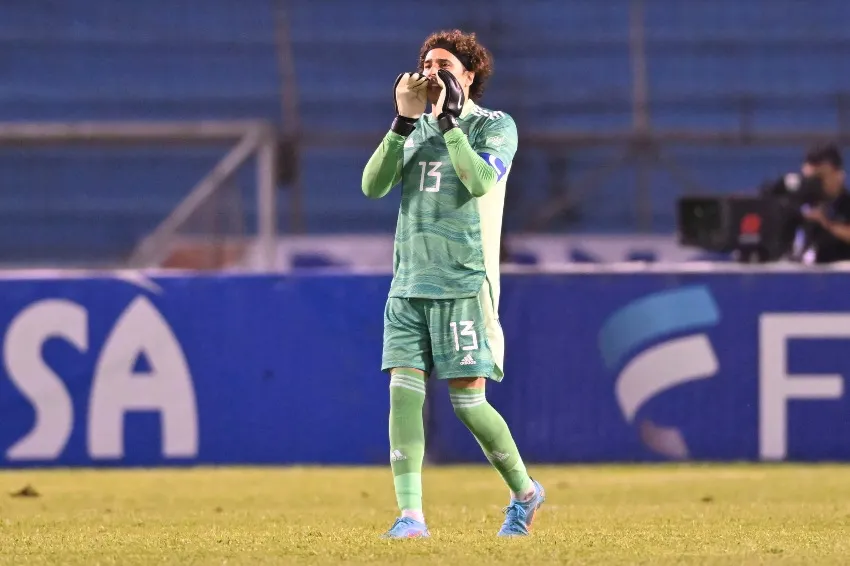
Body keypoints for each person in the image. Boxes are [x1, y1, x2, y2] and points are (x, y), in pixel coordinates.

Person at [361, 29, 544, 539]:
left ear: (468, 75)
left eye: (442, 65)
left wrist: (448, 122)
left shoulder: (494, 125)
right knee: (402, 395)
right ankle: (411, 516)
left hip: (463, 280)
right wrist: (401, 123)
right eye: (424, 63)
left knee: (469, 405)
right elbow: (372, 186)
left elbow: (479, 181)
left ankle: (525, 493)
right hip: (409, 281)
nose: (430, 72)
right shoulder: (413, 128)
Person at [795, 143, 850, 263]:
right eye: (812, 179)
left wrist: (827, 224)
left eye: (821, 177)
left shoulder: (846, 204)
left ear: (838, 175)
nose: (817, 184)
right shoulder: (802, 203)